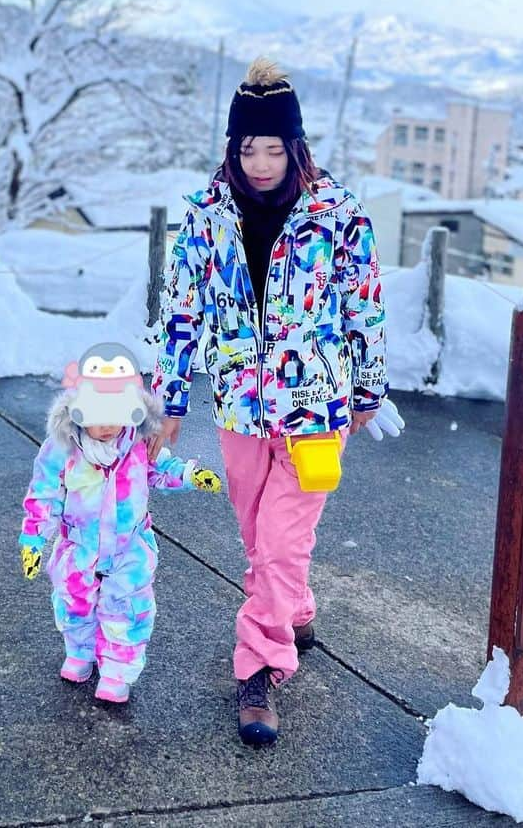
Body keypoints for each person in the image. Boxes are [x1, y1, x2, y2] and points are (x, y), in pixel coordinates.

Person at [149, 58, 400, 746]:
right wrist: (169, 399)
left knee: (281, 538)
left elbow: (365, 306)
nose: (259, 163)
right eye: (246, 148)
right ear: (231, 149)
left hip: (319, 407)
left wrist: (370, 388)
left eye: (272, 148)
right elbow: (180, 311)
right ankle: (296, 609)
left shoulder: (338, 214)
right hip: (239, 406)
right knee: (262, 537)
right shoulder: (207, 216)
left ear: (296, 147)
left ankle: (259, 669)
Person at [19, 341, 222, 704]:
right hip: (79, 545)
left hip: (129, 546)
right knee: (74, 600)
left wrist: (191, 476)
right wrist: (34, 538)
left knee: (125, 607)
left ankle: (116, 671)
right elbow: (44, 494)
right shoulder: (61, 449)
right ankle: (80, 652)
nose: (108, 426)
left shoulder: (138, 442)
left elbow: (161, 469)